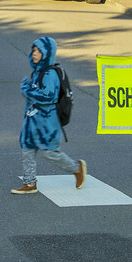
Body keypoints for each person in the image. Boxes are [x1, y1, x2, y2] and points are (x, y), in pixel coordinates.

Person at [12, 36, 87, 195]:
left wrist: (27, 90)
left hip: (47, 121)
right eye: (33, 50)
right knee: (27, 149)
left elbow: (48, 97)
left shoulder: (50, 74)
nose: (34, 53)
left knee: (51, 153)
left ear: (47, 53)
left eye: (39, 51)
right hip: (33, 121)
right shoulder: (37, 73)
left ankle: (77, 168)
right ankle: (29, 183)